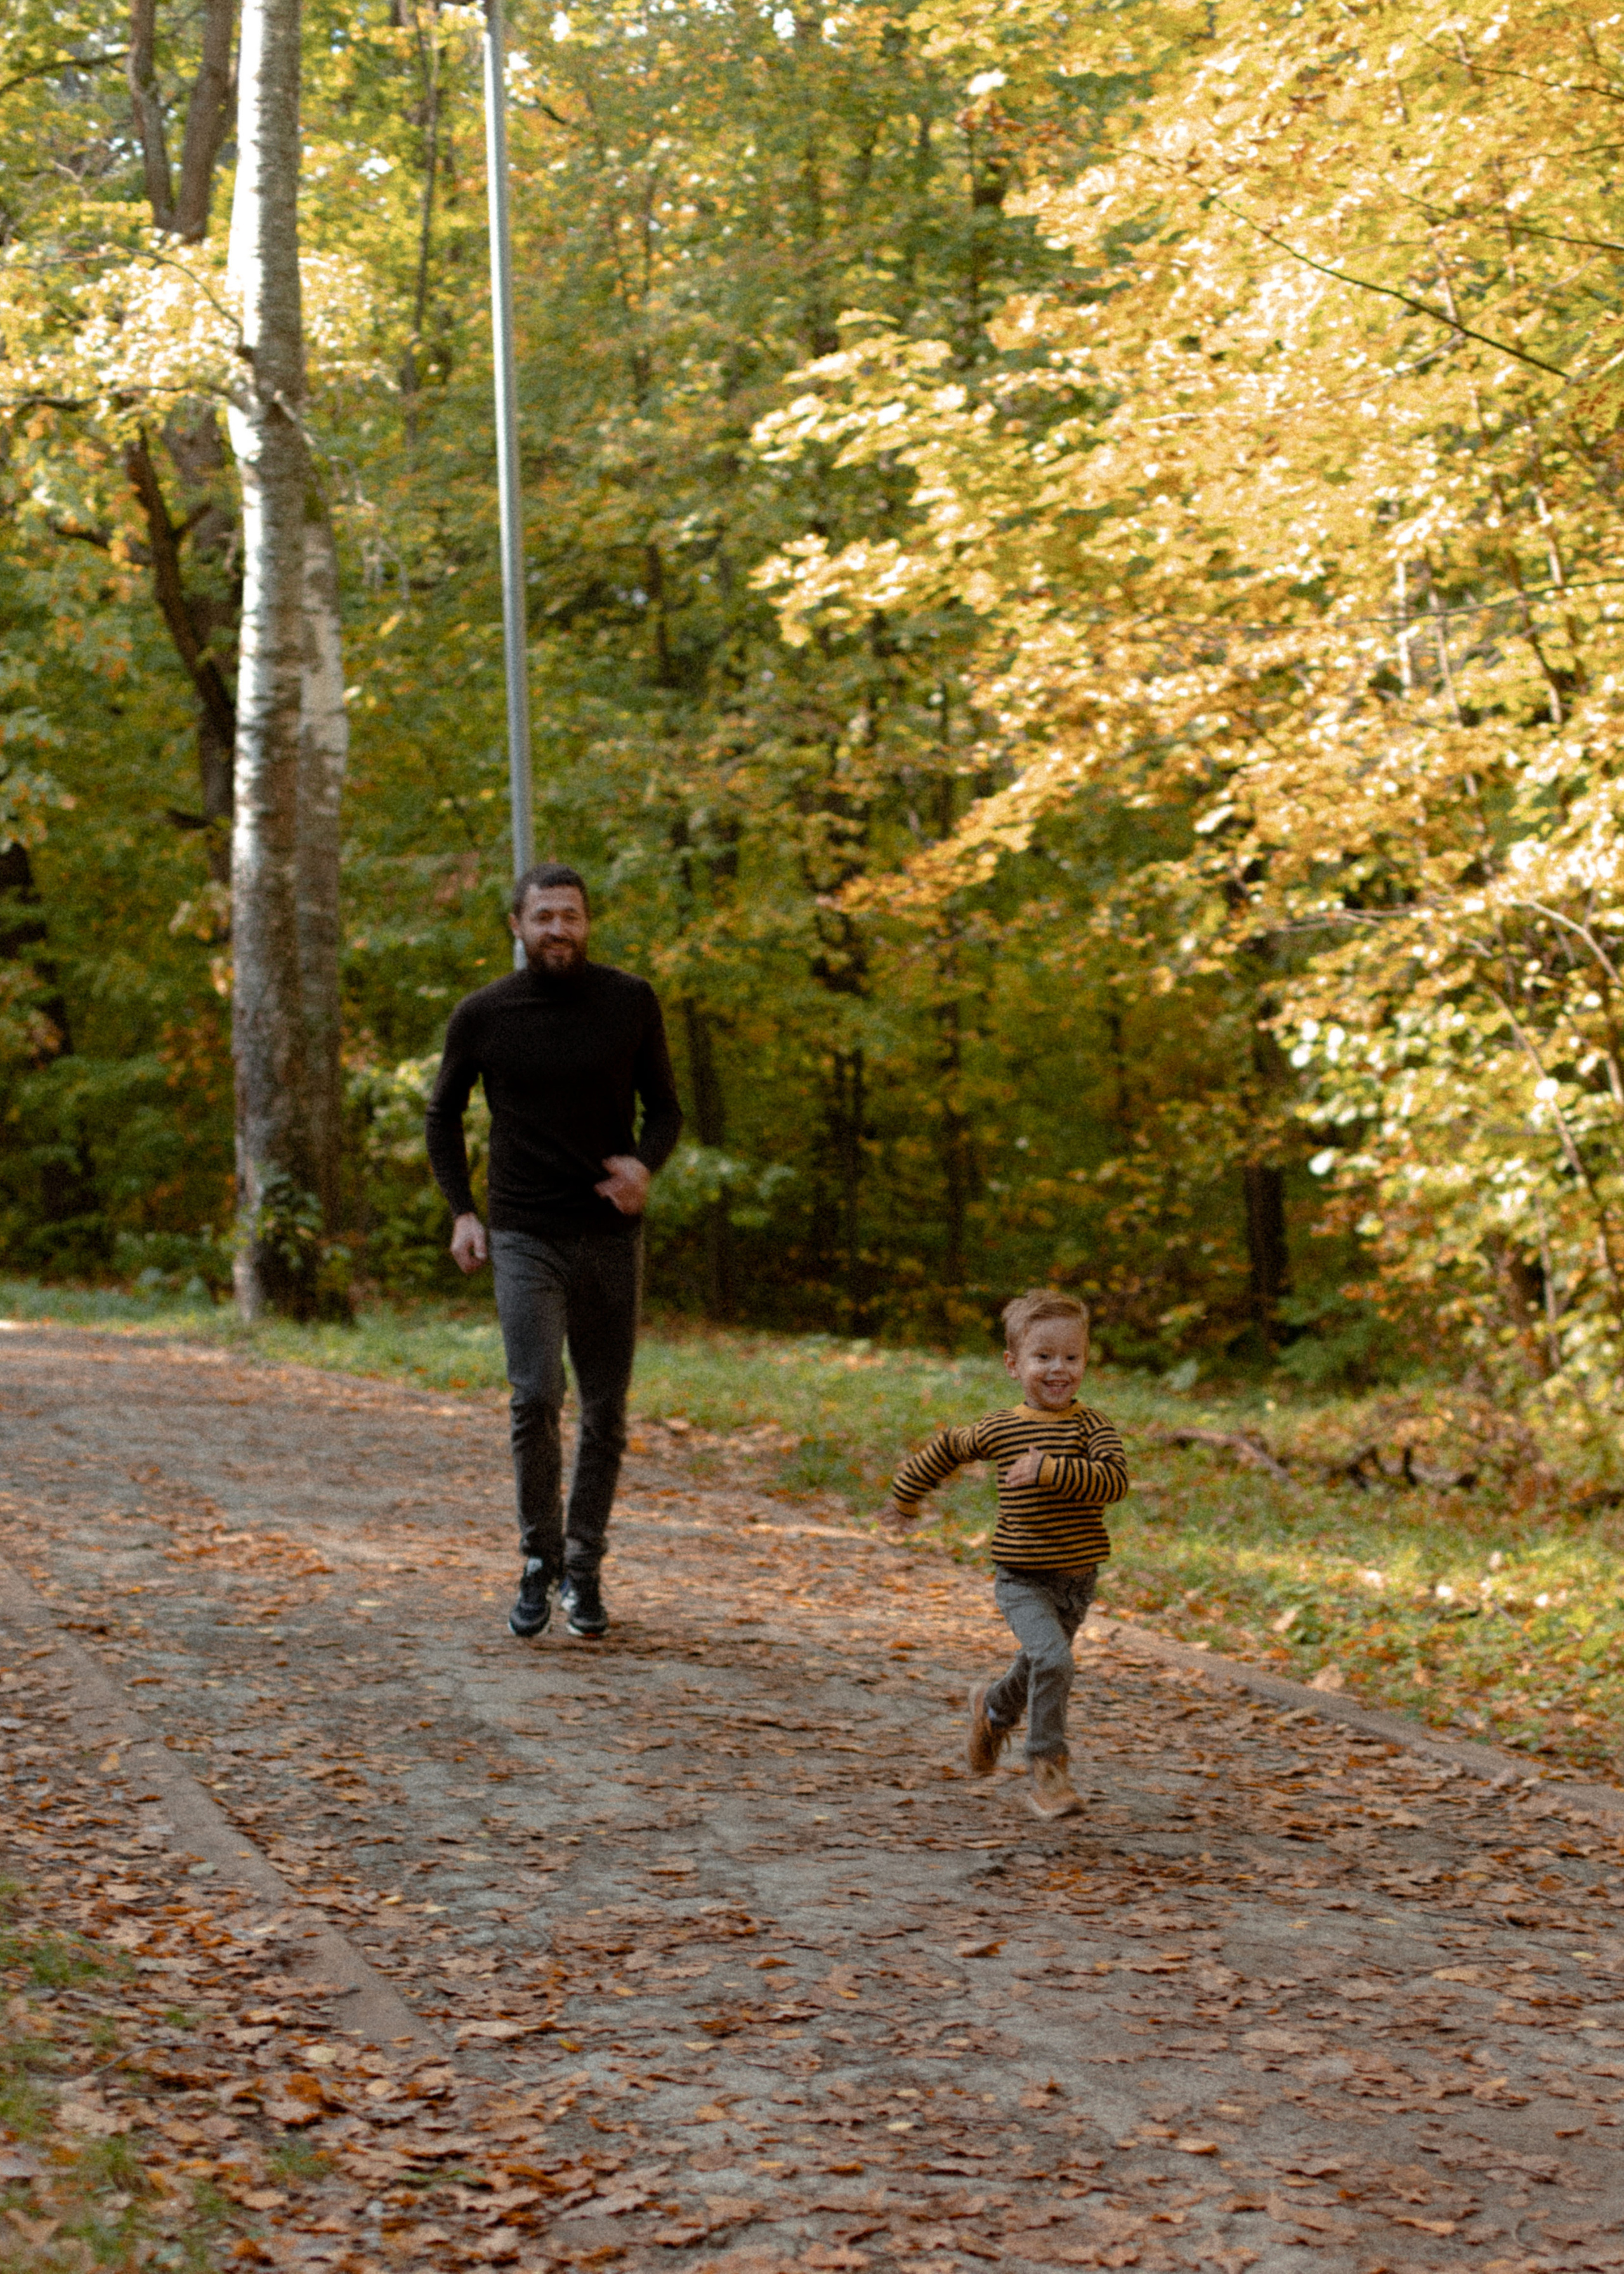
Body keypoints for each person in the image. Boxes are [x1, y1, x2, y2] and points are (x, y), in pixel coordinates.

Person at [425, 861, 682, 1642]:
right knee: (535, 1393)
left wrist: (644, 1163)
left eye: (570, 915)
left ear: (587, 920)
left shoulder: (629, 1000)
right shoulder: (484, 1013)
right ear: (518, 925)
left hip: (607, 1235)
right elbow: (442, 1114)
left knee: (605, 1411)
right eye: (543, 918)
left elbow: (665, 1108)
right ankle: (539, 1559)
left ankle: (586, 1565)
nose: (558, 930)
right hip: (523, 1231)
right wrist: (463, 1211)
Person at [881, 1290, 1129, 1820]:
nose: (1059, 1369)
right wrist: (905, 1497)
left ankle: (993, 1708)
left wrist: (1050, 1470)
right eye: (1043, 1357)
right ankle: (1048, 1769)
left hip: (1078, 1580)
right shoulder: (1002, 1428)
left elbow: (1113, 1482)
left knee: (1040, 1663)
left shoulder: (1093, 1427)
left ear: (1086, 1360)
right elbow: (946, 1449)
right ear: (1014, 1365)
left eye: (1072, 1357)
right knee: (1054, 1660)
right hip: (1021, 1577)